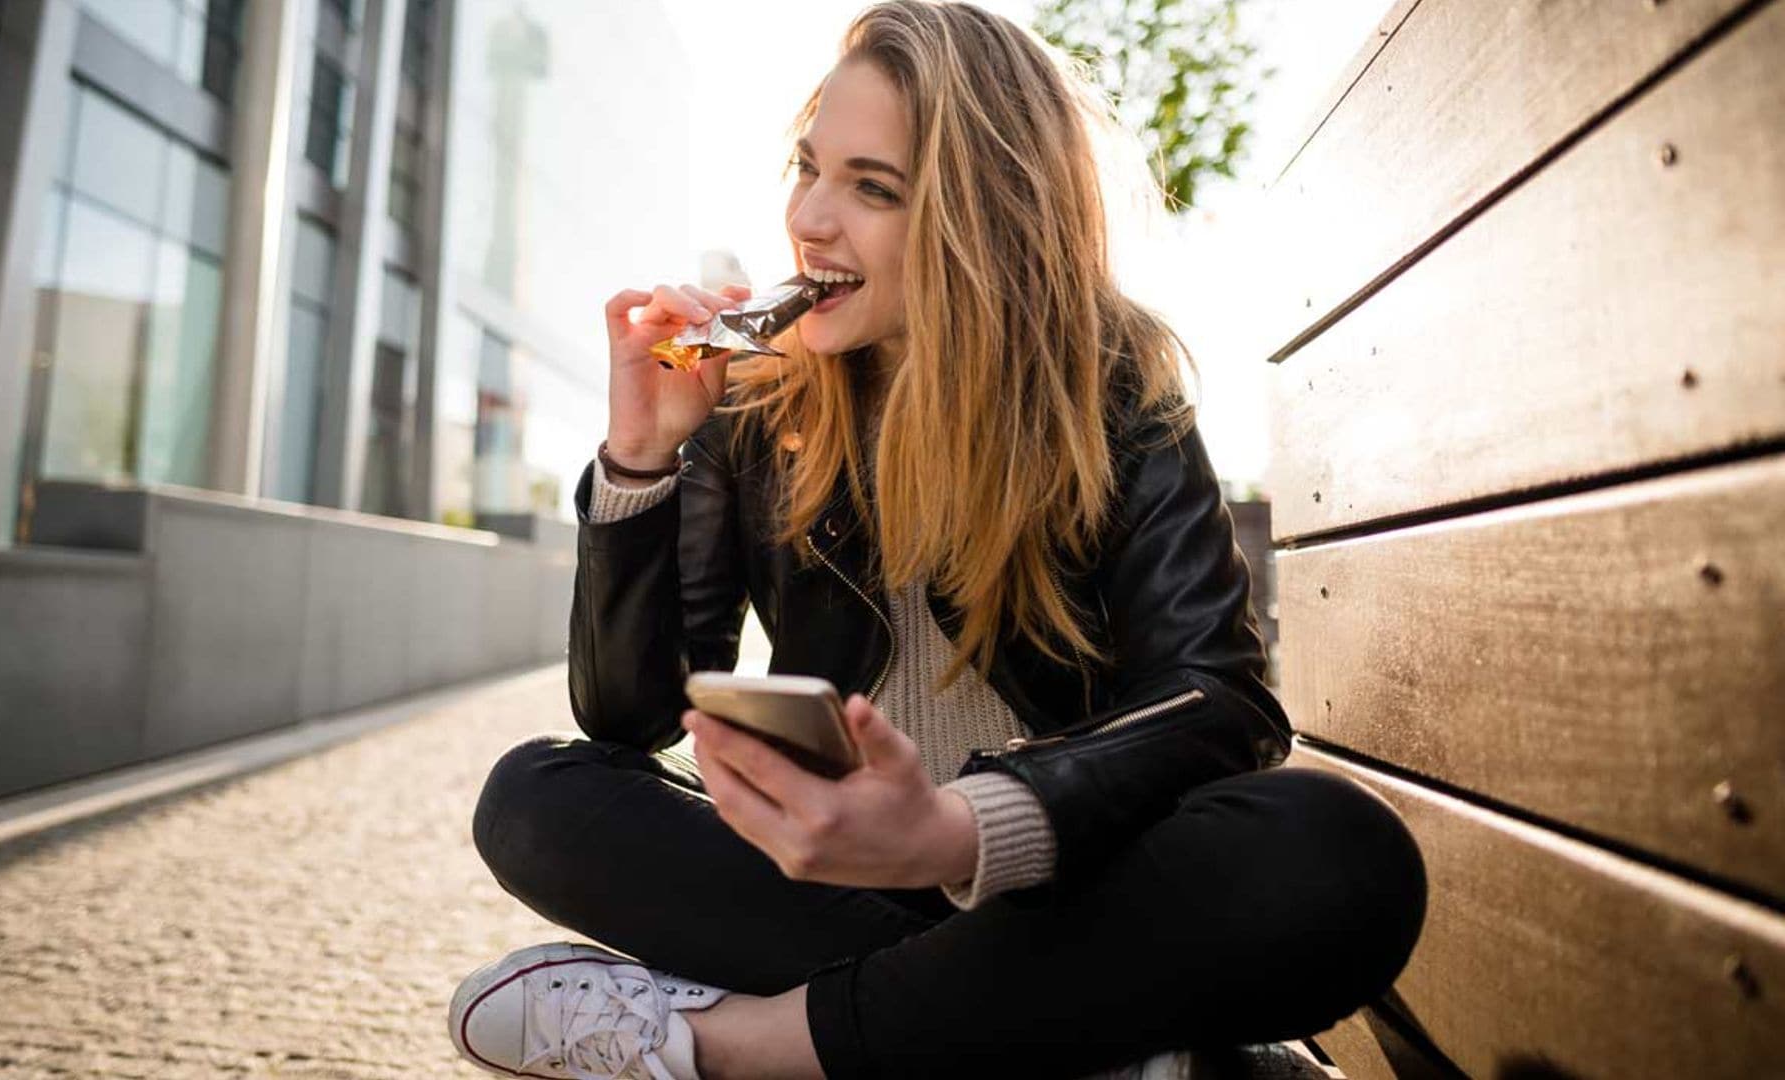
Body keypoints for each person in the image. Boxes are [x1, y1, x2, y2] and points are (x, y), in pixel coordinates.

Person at [450, 4, 1426, 1078]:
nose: (811, 219)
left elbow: (1221, 704)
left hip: (1059, 878)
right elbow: (629, 716)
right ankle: (1090, 1049)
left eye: (873, 188)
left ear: (984, 215)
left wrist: (956, 827)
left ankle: (744, 1050)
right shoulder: (754, 407)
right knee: (537, 798)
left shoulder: (1115, 389)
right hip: (844, 877)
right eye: (807, 167)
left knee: (1340, 852)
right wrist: (640, 460)